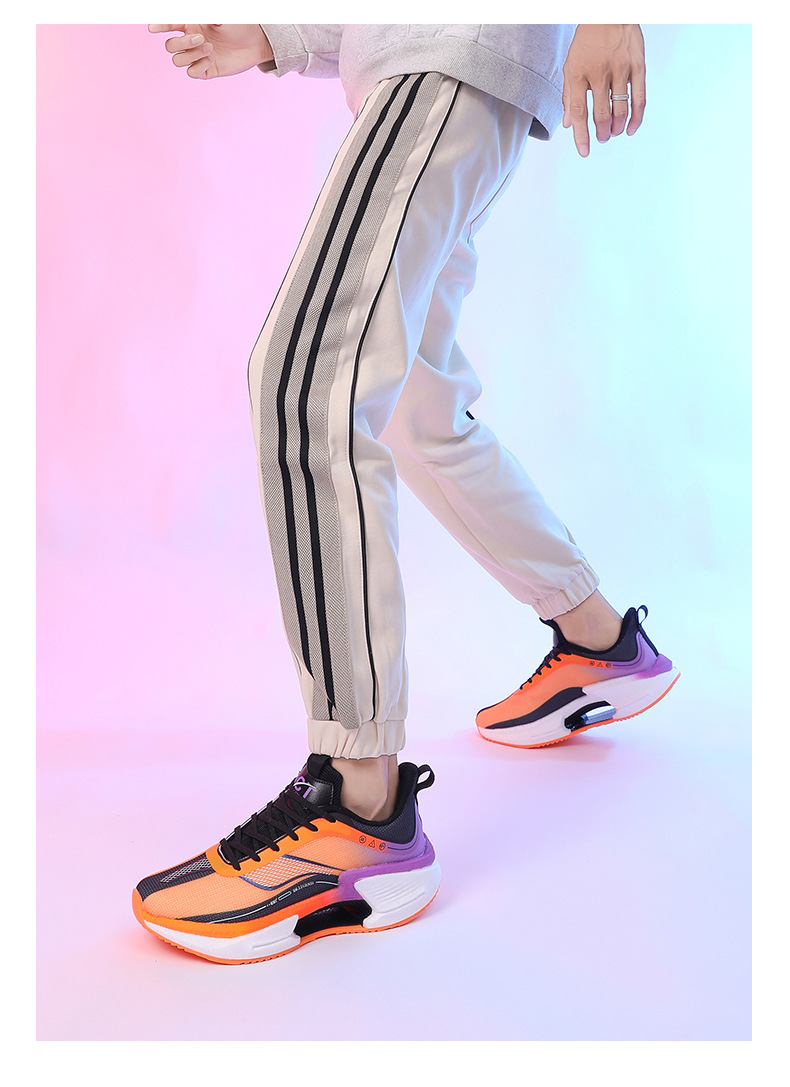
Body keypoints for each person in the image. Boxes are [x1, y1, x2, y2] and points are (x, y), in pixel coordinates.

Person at [133, 23, 679, 965]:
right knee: (418, 407)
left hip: (450, 51)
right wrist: (277, 35)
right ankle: (599, 639)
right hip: (444, 62)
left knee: (307, 383)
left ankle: (358, 804)